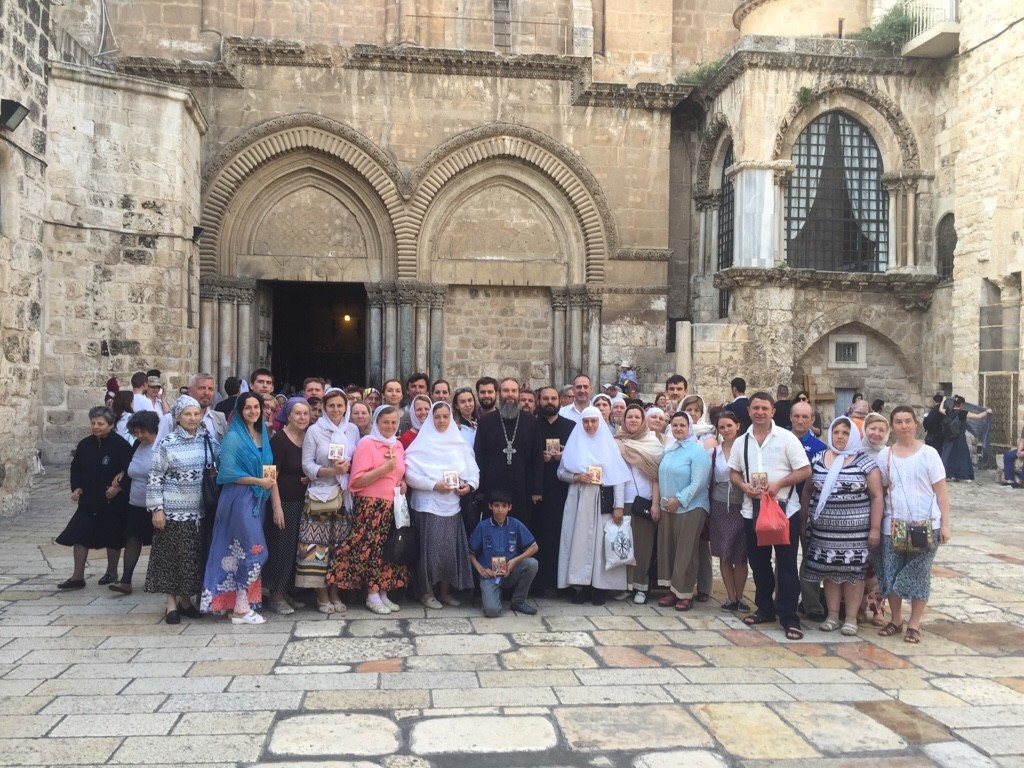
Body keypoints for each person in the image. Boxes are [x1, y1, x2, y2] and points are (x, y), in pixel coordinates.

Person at [728, 391, 811, 640]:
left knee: (786, 565)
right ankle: (765, 608)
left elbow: (805, 470)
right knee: (759, 563)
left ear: (773, 411)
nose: (760, 412)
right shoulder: (742, 441)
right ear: (749, 411)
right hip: (752, 510)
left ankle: (789, 617)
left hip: (784, 510)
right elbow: (734, 473)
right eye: (756, 408)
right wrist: (744, 487)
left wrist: (779, 484)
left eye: (765, 408)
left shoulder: (786, 439)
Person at [200, 392, 283, 625]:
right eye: (248, 407)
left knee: (241, 553)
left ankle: (238, 604)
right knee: (255, 551)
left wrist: (276, 505)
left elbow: (269, 469)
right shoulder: (233, 437)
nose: (253, 411)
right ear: (239, 410)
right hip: (239, 499)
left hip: (259, 500)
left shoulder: (262, 434)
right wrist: (259, 482)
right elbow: (228, 473)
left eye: (257, 407)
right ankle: (240, 608)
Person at [799, 417, 883, 636]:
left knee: (852, 574)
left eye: (845, 433)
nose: (840, 436)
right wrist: (804, 519)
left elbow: (876, 496)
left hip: (855, 532)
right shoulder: (818, 459)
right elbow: (808, 490)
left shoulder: (864, 462)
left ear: (853, 436)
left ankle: (851, 618)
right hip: (824, 532)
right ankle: (833, 615)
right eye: (836, 432)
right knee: (829, 572)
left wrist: (875, 528)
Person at [875, 405, 951, 644]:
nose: (904, 426)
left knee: (918, 572)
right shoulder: (884, 456)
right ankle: (896, 619)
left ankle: (914, 623)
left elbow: (941, 491)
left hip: (926, 523)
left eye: (908, 421)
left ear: (915, 424)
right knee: (891, 571)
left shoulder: (929, 454)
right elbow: (885, 489)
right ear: (892, 426)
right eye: (898, 422)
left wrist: (946, 524)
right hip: (894, 524)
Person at [328, 405, 409, 615]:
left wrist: (402, 483)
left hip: (392, 505)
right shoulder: (367, 444)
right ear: (377, 423)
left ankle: (382, 591)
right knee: (370, 549)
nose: (389, 427)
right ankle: (371, 594)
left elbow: (399, 473)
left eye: (393, 422)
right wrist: (383, 470)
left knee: (386, 550)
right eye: (385, 422)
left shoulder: (398, 446)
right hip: (371, 505)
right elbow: (356, 481)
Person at [144, 396, 213, 622]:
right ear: (178, 417)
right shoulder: (167, 443)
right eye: (187, 414)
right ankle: (171, 604)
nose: (192, 418)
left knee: (191, 558)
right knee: (171, 558)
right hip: (173, 511)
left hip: (199, 512)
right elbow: (155, 477)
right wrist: (157, 509)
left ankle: (186, 600)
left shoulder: (208, 441)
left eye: (195, 414)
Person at [405, 401, 479, 609]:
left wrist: (469, 486)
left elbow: (474, 472)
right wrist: (433, 485)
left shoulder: (460, 444)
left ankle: (445, 592)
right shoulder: (422, 443)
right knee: (430, 552)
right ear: (431, 419)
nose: (441, 421)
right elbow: (409, 474)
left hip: (452, 507)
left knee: (448, 552)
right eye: (437, 417)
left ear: (451, 418)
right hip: (428, 505)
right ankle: (427, 593)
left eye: (446, 416)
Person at [556, 406, 630, 605]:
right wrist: (577, 476)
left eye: (593, 421)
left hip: (603, 499)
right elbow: (561, 472)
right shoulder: (575, 443)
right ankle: (581, 586)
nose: (589, 425)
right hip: (579, 498)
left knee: (601, 545)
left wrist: (619, 506)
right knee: (578, 543)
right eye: (586, 421)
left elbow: (619, 478)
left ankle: (599, 588)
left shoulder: (609, 445)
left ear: (600, 422)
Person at [56, 406, 132, 589]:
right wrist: (77, 488)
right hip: (89, 500)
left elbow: (130, 470)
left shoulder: (121, 445)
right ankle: (77, 577)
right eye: (93, 423)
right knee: (80, 535)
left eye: (100, 423)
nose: (96, 427)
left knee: (112, 537)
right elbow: (76, 468)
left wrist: (119, 488)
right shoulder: (85, 445)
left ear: (111, 425)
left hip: (112, 501)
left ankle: (112, 572)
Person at [299, 388, 358, 613]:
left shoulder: (352, 430)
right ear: (324, 407)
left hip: (344, 497)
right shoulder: (315, 431)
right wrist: (330, 471)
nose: (336, 410)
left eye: (340, 406)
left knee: (338, 547)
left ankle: (335, 591)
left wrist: (348, 467)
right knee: (317, 547)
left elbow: (358, 459)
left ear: (346, 407)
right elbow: (308, 465)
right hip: (320, 496)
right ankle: (320, 593)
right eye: (331, 405)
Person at [656, 412, 712, 611]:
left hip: (691, 507)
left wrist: (679, 500)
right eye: (675, 425)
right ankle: (673, 590)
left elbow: (698, 482)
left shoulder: (698, 452)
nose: (678, 429)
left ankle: (685, 592)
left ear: (690, 428)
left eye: (682, 425)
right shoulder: (670, 450)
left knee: (686, 551)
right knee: (670, 549)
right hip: (668, 507)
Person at [474, 378, 544, 530]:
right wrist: (479, 490)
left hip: (522, 485)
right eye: (506, 391)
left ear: (519, 394)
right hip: (493, 485)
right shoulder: (486, 421)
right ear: (499, 394)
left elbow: (537, 457)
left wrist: (537, 489)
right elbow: (479, 456)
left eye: (513, 391)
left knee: (521, 527)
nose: (510, 394)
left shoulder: (530, 421)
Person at [264, 396, 311, 615]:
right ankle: (276, 595)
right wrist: (276, 507)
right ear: (288, 416)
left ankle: (286, 591)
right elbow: (270, 474)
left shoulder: (307, 439)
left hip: (302, 502)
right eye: (297, 413)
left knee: (294, 550)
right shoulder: (279, 441)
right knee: (281, 549)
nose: (302, 418)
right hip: (283, 503)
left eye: (305, 413)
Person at [615, 403, 663, 604]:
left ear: (643, 421)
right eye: (629, 417)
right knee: (623, 545)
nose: (633, 420)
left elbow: (655, 476)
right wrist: (616, 504)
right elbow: (615, 475)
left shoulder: (653, 444)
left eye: (637, 417)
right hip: (623, 501)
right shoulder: (617, 442)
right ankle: (626, 586)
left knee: (643, 546)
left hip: (645, 501)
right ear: (624, 420)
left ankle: (641, 587)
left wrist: (655, 503)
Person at [109, 410, 160, 595]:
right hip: (135, 502)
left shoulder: (163, 445)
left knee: (159, 542)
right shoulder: (138, 444)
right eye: (136, 432)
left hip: (157, 505)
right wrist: (122, 478)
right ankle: (126, 580)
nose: (139, 436)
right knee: (132, 538)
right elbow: (129, 466)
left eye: (142, 432)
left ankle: (159, 581)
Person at [468, 490, 540, 617]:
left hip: (510, 571)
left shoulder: (515, 524)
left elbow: (534, 547)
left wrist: (515, 561)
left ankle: (518, 601)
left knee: (532, 564)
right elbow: (470, 552)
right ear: (490, 506)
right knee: (492, 611)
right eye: (496, 506)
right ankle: (494, 596)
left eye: (504, 506)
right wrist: (480, 569)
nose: (500, 510)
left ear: (510, 507)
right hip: (490, 575)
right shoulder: (482, 526)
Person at [533, 385, 575, 592]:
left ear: (559, 401)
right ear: (538, 401)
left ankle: (561, 583)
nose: (549, 402)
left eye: (553, 398)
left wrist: (563, 457)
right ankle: (540, 583)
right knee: (539, 534)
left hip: (563, 490)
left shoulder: (571, 426)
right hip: (538, 490)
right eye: (545, 399)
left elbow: (579, 457)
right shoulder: (531, 425)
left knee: (561, 535)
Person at [790, 399, 828, 622]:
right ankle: (783, 597)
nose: (800, 421)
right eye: (797, 416)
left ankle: (811, 603)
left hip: (809, 510)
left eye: (805, 417)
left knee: (810, 557)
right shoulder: (780, 441)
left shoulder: (820, 449)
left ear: (812, 420)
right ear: (791, 417)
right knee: (785, 558)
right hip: (782, 508)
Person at [708, 410, 749, 611]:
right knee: (724, 552)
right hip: (719, 505)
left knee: (740, 554)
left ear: (738, 426)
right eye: (722, 427)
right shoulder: (714, 452)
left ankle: (740, 596)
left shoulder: (748, 449)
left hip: (742, 504)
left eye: (729, 426)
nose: (726, 430)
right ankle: (731, 597)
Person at [156, 373, 227, 444]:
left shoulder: (219, 418)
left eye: (210, 389)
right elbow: (158, 451)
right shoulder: (170, 420)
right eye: (202, 388)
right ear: (190, 391)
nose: (206, 393)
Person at [939, 395, 991, 481]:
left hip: (949, 438)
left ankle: (948, 474)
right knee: (962, 456)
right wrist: (987, 412)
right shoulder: (963, 413)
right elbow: (979, 416)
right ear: (961, 404)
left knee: (948, 456)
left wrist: (943, 401)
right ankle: (963, 475)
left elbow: (940, 410)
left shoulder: (949, 411)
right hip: (959, 438)